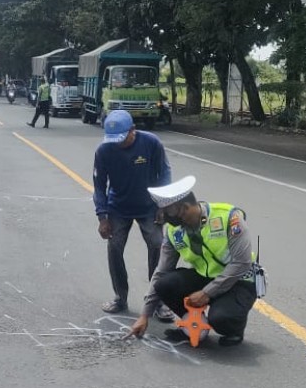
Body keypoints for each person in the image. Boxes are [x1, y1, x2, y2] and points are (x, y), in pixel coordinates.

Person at [126, 175, 258, 347]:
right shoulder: (174, 232)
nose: (164, 218)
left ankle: (234, 330)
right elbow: (162, 271)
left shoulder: (228, 218)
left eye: (167, 213)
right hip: (206, 276)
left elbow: (242, 263)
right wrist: (144, 315)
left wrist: (207, 293)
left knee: (222, 318)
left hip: (239, 280)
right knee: (164, 284)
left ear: (184, 208)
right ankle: (194, 322)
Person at [94, 110, 176, 321]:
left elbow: (164, 174)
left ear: (133, 130)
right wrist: (102, 217)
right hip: (118, 208)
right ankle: (120, 297)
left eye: (122, 138)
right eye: (114, 140)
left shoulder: (151, 143)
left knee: (158, 246)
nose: (118, 144)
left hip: (149, 207)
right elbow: (99, 186)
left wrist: (163, 205)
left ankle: (157, 301)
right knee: (114, 248)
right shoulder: (104, 150)